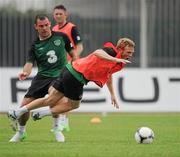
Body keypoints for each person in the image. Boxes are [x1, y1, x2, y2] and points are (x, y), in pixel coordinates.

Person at [8, 38, 135, 141]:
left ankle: (17, 112)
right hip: (77, 76)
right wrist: (115, 58)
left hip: (69, 69)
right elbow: (97, 52)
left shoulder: (119, 62)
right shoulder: (112, 52)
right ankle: (42, 114)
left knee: (50, 99)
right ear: (120, 49)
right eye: (128, 52)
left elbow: (108, 75)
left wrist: (112, 94)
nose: (130, 55)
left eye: (132, 53)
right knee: (74, 105)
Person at [8, 14, 77, 142]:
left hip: (59, 76)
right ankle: (21, 132)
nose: (44, 28)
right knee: (24, 105)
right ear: (36, 27)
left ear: (50, 24)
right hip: (41, 77)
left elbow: (74, 55)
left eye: (46, 25)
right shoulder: (34, 45)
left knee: (54, 98)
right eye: (41, 26)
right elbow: (29, 63)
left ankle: (56, 129)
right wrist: (25, 72)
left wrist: (75, 69)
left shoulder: (61, 37)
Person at [50, 4, 83, 132]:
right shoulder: (53, 29)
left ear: (65, 15)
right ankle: (60, 122)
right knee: (56, 94)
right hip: (57, 66)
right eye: (56, 14)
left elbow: (80, 46)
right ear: (54, 15)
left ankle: (64, 122)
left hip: (71, 66)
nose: (58, 16)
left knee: (66, 95)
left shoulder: (72, 28)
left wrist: (73, 59)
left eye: (60, 14)